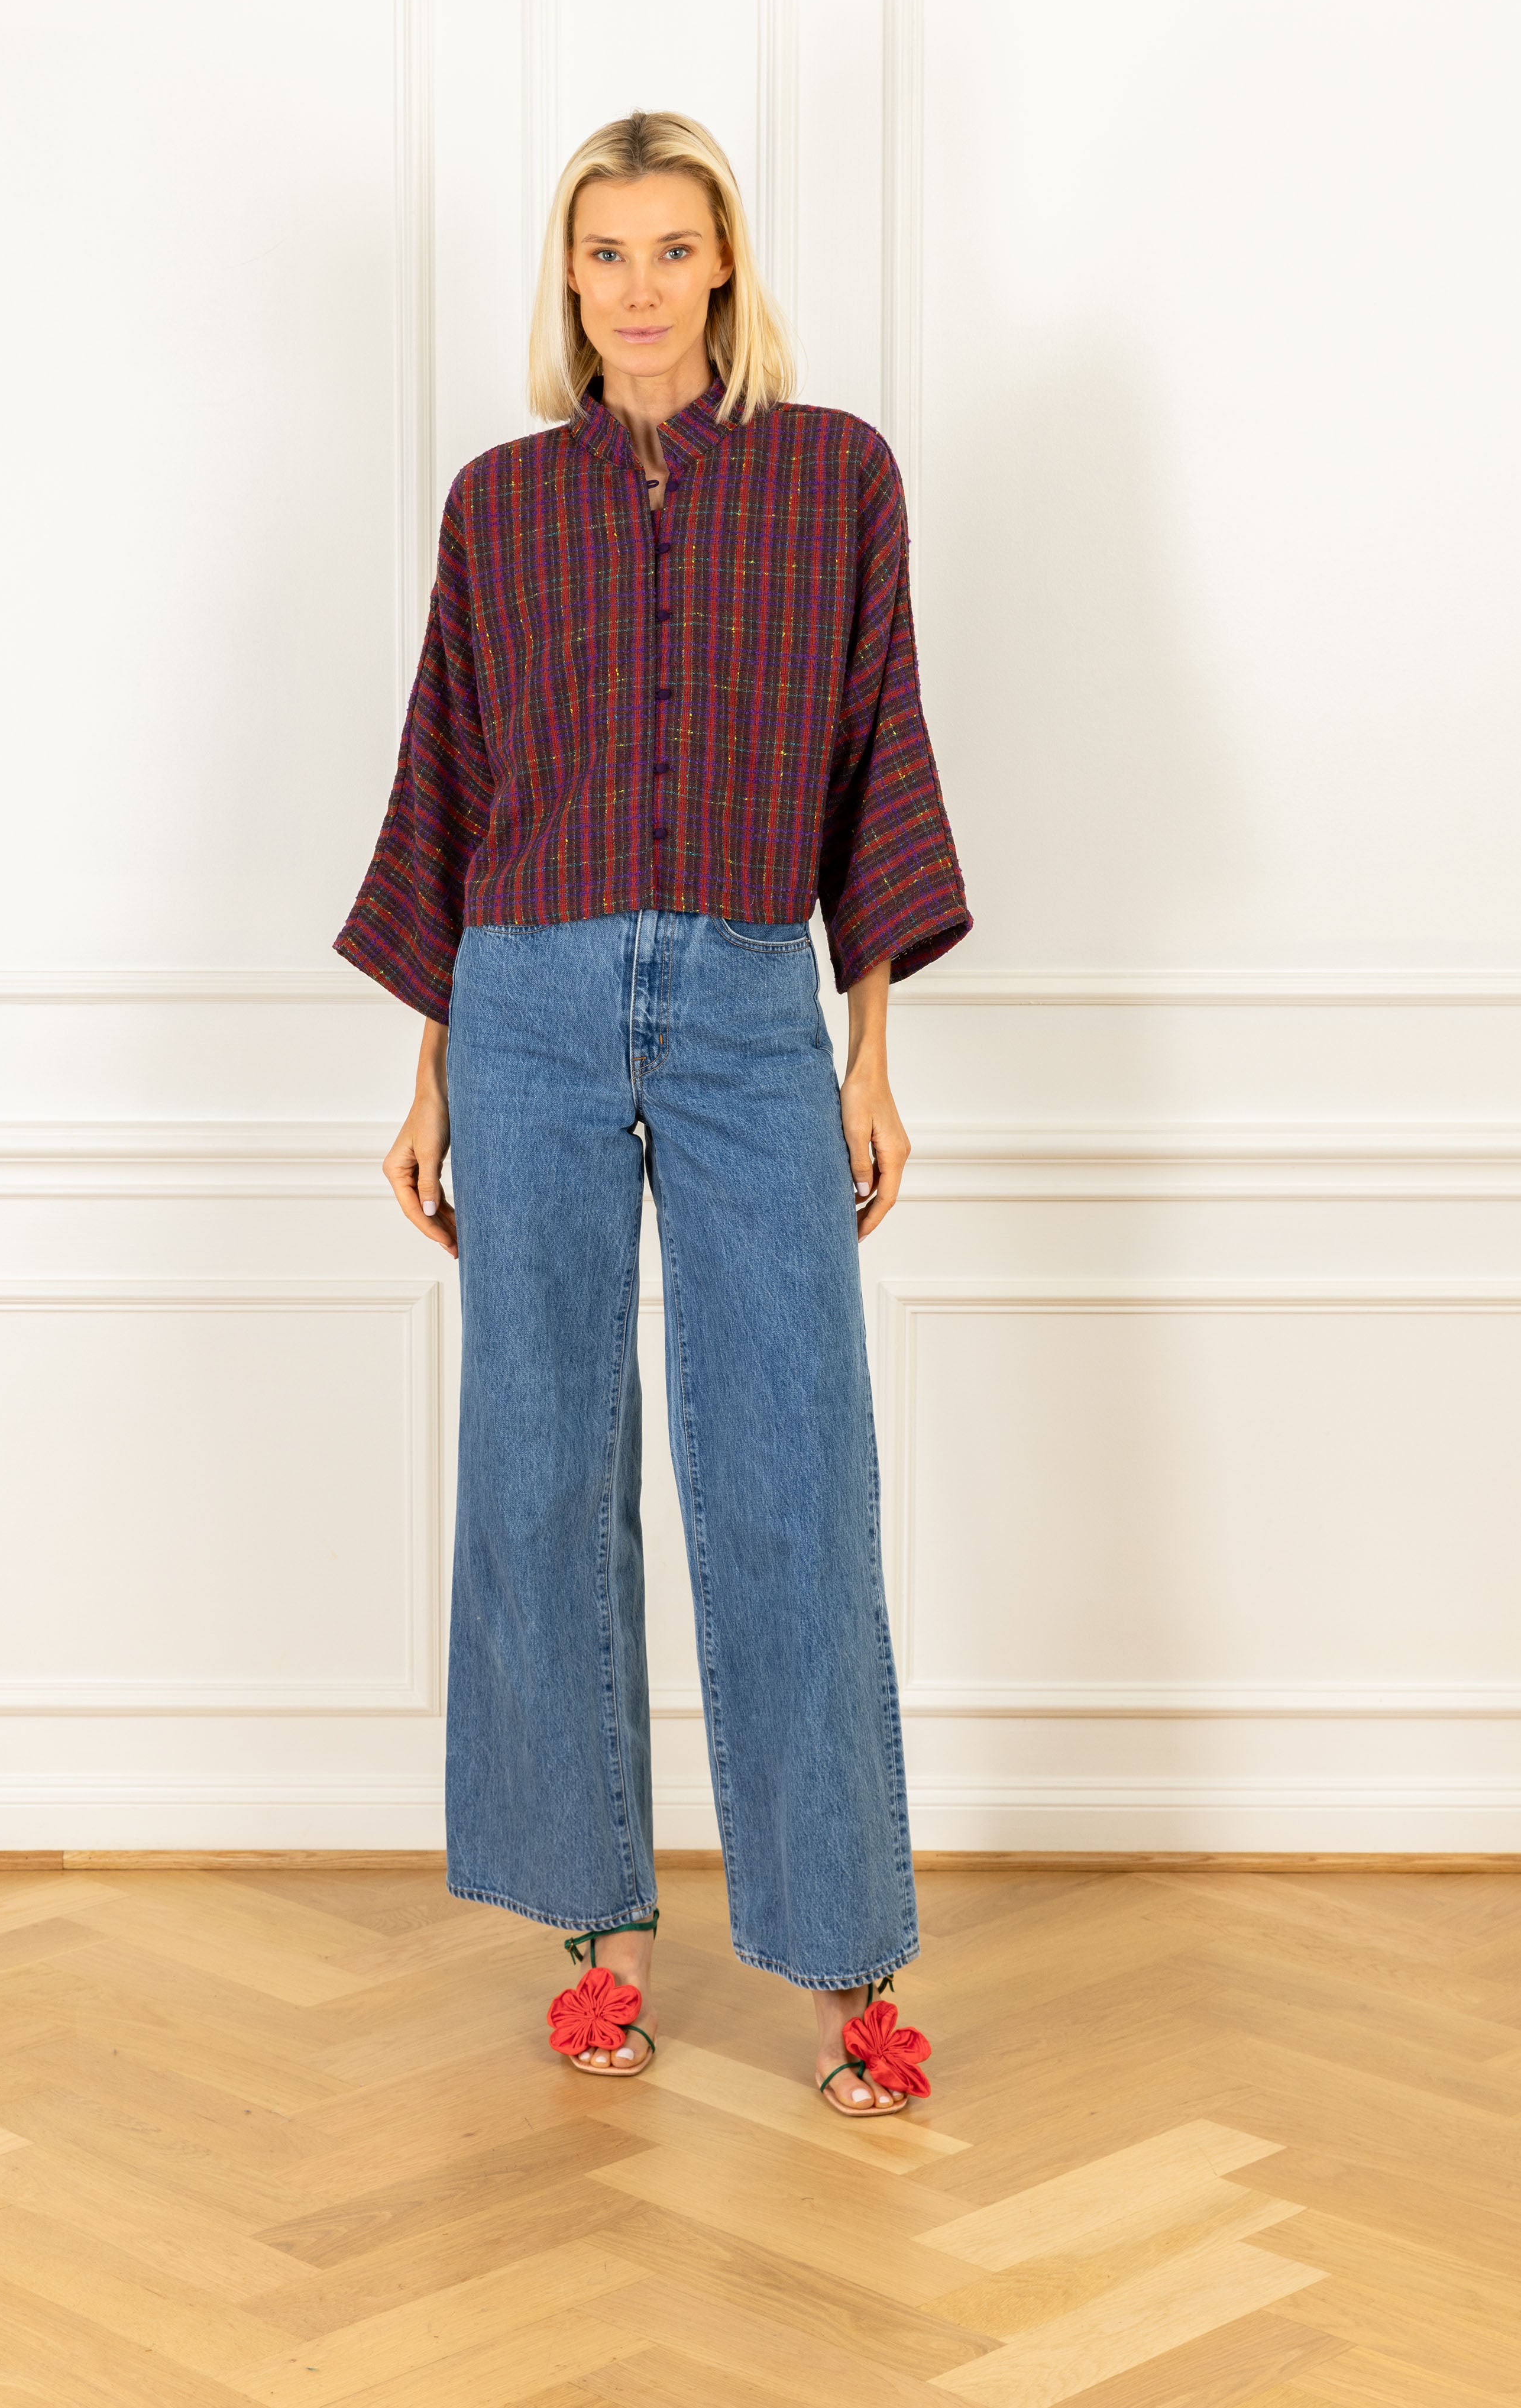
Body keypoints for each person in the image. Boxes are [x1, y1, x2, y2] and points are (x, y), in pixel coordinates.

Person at [336, 109, 971, 2117]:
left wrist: (869, 1051)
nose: (637, 286)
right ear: (569, 273)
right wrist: (428, 1070)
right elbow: (447, 783)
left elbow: (878, 758)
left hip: (749, 1004)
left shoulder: (837, 475)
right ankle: (597, 1939)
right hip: (521, 1006)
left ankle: (848, 1960)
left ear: (725, 265)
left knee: (793, 1460)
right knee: (540, 1461)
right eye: (603, 252)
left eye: (671, 249)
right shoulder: (498, 503)